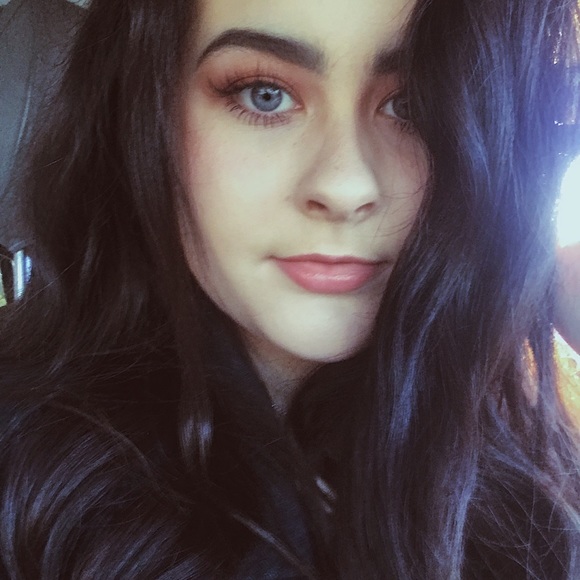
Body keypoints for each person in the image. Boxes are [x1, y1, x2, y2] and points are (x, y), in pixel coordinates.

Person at [0, 0, 579, 577]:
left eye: (413, 105)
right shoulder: (24, 476)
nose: (346, 186)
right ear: (145, 116)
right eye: (264, 94)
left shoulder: (533, 477)